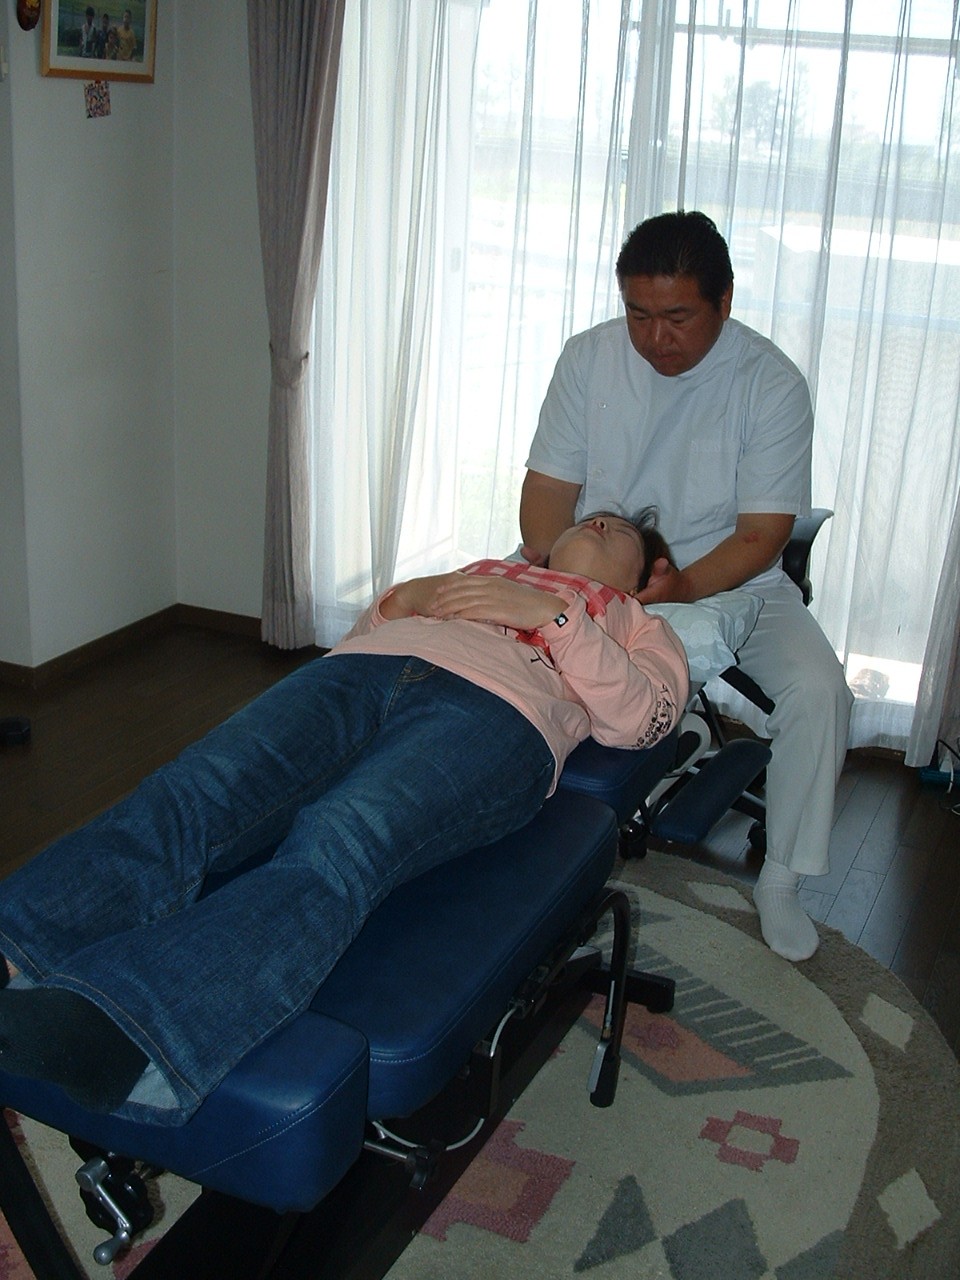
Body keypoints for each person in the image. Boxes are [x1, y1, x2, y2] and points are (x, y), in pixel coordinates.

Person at [0, 512, 688, 1126]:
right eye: (592, 517)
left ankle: (124, 1029)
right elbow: (361, 636)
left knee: (341, 838)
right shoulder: (482, 568)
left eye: (620, 530)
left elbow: (640, 720)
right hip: (356, 674)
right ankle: (15, 941)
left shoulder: (638, 624)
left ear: (645, 577)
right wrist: (399, 602)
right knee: (188, 792)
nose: (599, 524)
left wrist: (555, 617)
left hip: (498, 713)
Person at [521, 211, 853, 964]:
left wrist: (676, 592)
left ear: (724, 301)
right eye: (638, 315)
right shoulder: (589, 358)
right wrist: (570, 579)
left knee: (820, 694)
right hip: (595, 571)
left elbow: (762, 534)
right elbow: (545, 492)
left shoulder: (769, 382)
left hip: (728, 578)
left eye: (677, 318)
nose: (655, 338)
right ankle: (526, 847)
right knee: (506, 663)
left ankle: (781, 881)